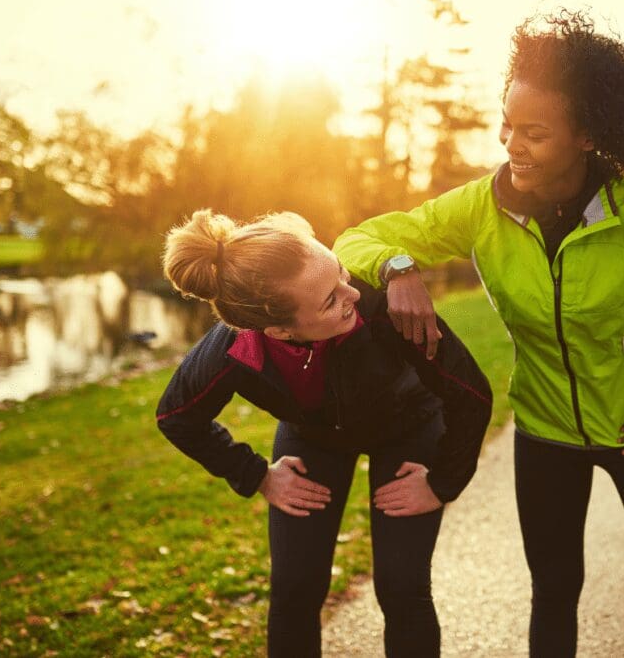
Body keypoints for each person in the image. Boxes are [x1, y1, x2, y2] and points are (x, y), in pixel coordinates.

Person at [333, 10, 624, 658]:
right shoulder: (482, 207)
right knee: (554, 593)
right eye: (507, 124)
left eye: (535, 132)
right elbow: (356, 238)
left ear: (587, 134)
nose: (512, 143)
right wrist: (397, 269)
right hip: (543, 433)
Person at [155, 209, 492, 657]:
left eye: (341, 275)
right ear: (278, 331)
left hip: (409, 428)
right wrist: (256, 475)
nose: (352, 293)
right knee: (295, 590)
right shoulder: (234, 349)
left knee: (402, 587)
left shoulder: (383, 308)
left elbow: (470, 393)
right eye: (330, 300)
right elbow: (177, 415)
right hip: (312, 438)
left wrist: (441, 483)